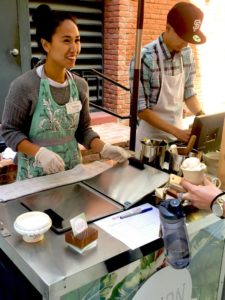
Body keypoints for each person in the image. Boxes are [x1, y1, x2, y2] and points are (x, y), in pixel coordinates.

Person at [0, 4, 129, 181]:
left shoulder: (80, 86)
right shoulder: (24, 86)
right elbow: (9, 131)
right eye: (66, 40)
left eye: (77, 40)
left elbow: (83, 130)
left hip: (72, 172)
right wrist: (39, 153)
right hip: (34, 177)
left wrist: (104, 148)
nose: (74, 48)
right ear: (46, 44)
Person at [129, 2, 206, 153]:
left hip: (176, 140)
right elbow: (141, 109)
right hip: (149, 143)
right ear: (168, 28)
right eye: (182, 37)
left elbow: (188, 92)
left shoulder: (187, 53)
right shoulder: (145, 57)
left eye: (189, 39)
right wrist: (177, 132)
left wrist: (202, 118)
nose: (185, 43)